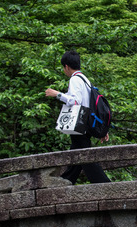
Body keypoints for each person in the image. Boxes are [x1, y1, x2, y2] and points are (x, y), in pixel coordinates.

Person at [45, 50, 112, 184]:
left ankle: (105, 185)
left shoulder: (75, 79)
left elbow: (75, 101)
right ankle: (67, 181)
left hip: (79, 123)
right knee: (77, 153)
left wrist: (57, 94)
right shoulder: (84, 79)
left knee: (84, 156)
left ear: (66, 67)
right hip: (87, 122)